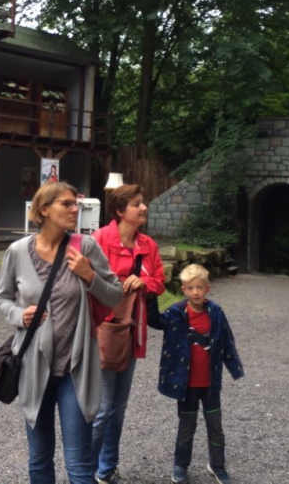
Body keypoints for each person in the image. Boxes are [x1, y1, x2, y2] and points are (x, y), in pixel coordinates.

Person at [0, 182, 122, 483]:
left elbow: (115, 295)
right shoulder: (17, 252)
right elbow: (2, 298)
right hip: (33, 366)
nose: (75, 209)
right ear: (44, 209)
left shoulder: (85, 247)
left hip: (74, 369)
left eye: (75, 203)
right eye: (66, 203)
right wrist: (19, 315)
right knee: (39, 459)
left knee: (78, 464)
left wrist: (89, 276)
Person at [90, 184, 165, 483]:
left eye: (142, 202)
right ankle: (83, 470)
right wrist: (120, 281)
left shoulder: (148, 244)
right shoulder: (99, 240)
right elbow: (86, 279)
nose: (144, 207)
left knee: (118, 408)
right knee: (102, 408)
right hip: (104, 330)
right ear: (120, 211)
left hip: (133, 330)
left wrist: (144, 283)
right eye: (136, 204)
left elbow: (159, 281)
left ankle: (107, 468)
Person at [147, 264, 244, 484]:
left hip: (210, 383)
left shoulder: (216, 312)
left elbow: (226, 340)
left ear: (207, 288)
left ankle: (217, 465)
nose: (196, 292)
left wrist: (234, 367)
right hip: (186, 384)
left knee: (215, 426)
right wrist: (151, 295)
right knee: (186, 426)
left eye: (200, 287)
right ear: (184, 289)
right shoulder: (176, 313)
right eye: (191, 288)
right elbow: (155, 321)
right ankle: (180, 465)